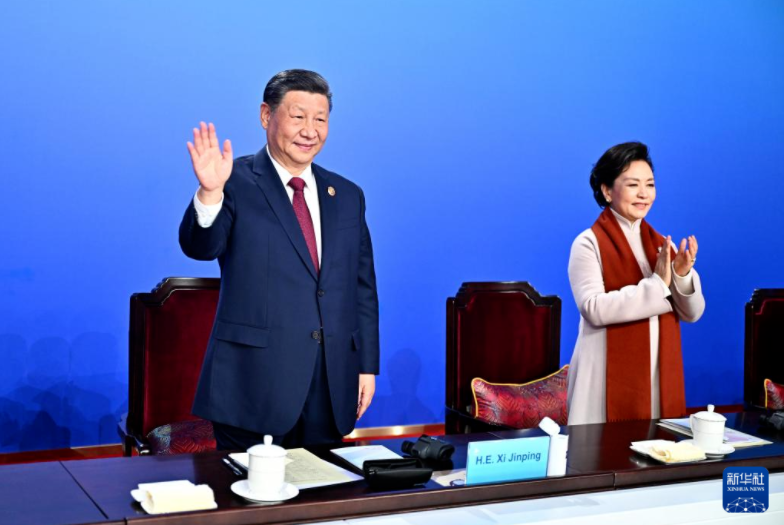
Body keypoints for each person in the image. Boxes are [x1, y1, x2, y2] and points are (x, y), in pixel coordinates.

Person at [179, 69, 380, 449]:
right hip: (252, 386)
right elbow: (201, 247)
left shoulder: (347, 195)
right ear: (266, 116)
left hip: (329, 385)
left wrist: (366, 366)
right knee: (246, 487)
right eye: (298, 116)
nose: (310, 130)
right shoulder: (233, 180)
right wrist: (209, 194)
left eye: (320, 119)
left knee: (325, 486)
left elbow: (362, 288)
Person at [566, 142, 705, 425]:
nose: (644, 194)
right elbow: (594, 308)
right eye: (633, 185)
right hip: (604, 377)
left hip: (657, 376)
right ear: (607, 191)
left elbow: (692, 313)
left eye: (650, 184)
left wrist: (681, 274)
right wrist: (658, 285)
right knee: (605, 449)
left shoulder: (662, 245)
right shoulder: (588, 243)